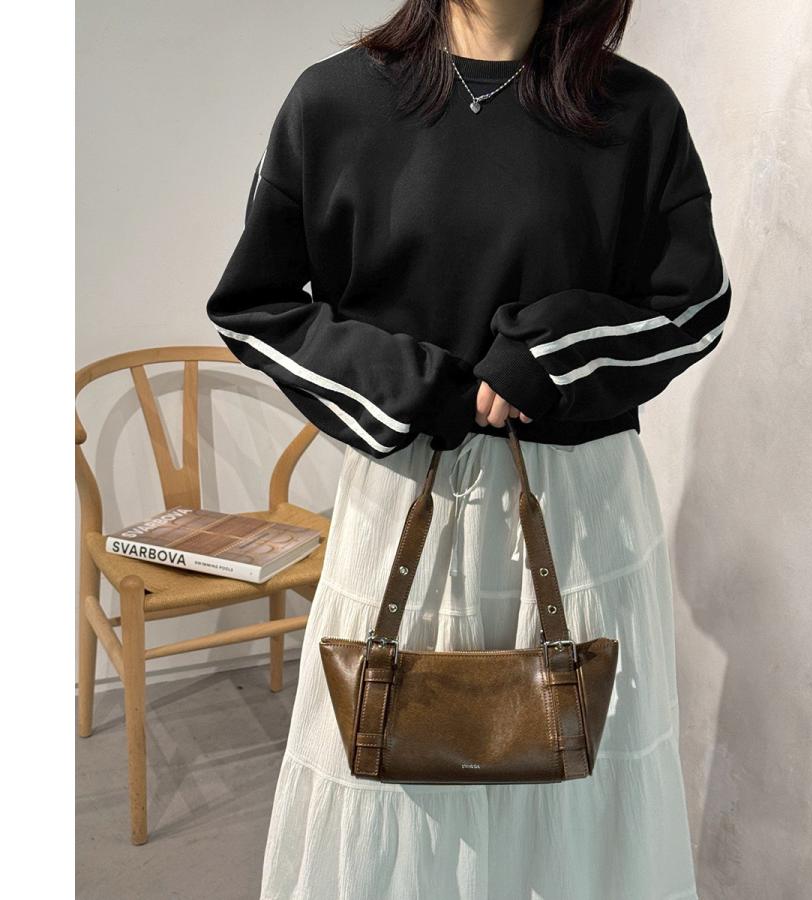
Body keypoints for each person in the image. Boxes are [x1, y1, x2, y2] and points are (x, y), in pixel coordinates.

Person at [206, 1, 731, 897]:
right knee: (396, 783)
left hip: (579, 510)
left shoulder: (634, 111)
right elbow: (254, 306)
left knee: (576, 787)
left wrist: (553, 353)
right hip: (405, 492)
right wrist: (408, 383)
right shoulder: (334, 102)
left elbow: (694, 304)